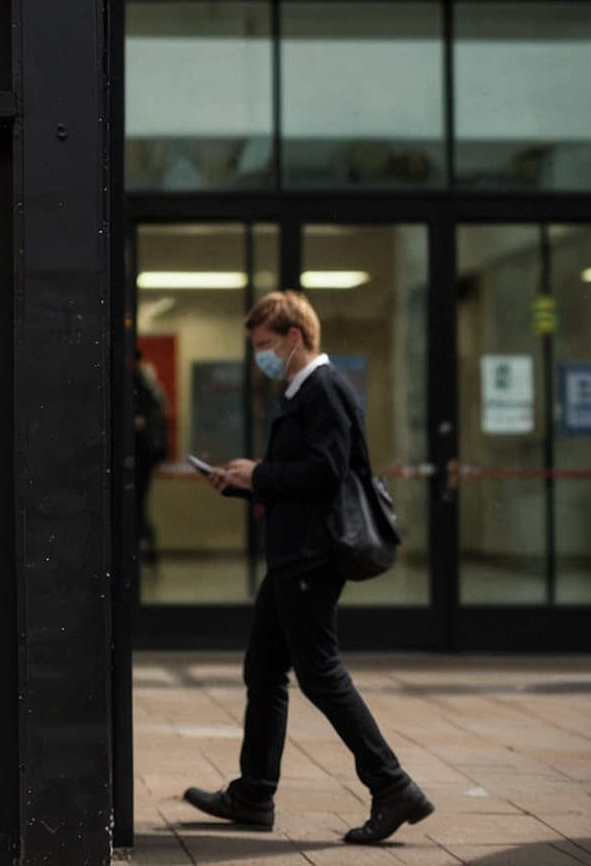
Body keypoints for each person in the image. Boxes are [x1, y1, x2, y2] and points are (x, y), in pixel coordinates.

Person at [182, 290, 433, 845]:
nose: (261, 357)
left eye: (267, 345)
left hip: (311, 559)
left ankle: (393, 786)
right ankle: (253, 795)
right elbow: (300, 478)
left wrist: (262, 474)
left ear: (295, 338)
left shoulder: (326, 389)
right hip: (292, 554)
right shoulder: (302, 390)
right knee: (264, 672)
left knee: (320, 674)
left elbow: (325, 470)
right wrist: (244, 482)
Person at [131, 349, 169, 568]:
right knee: (138, 503)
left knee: (137, 504)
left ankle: (139, 546)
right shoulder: (145, 385)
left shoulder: (141, 387)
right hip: (143, 457)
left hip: (141, 457)